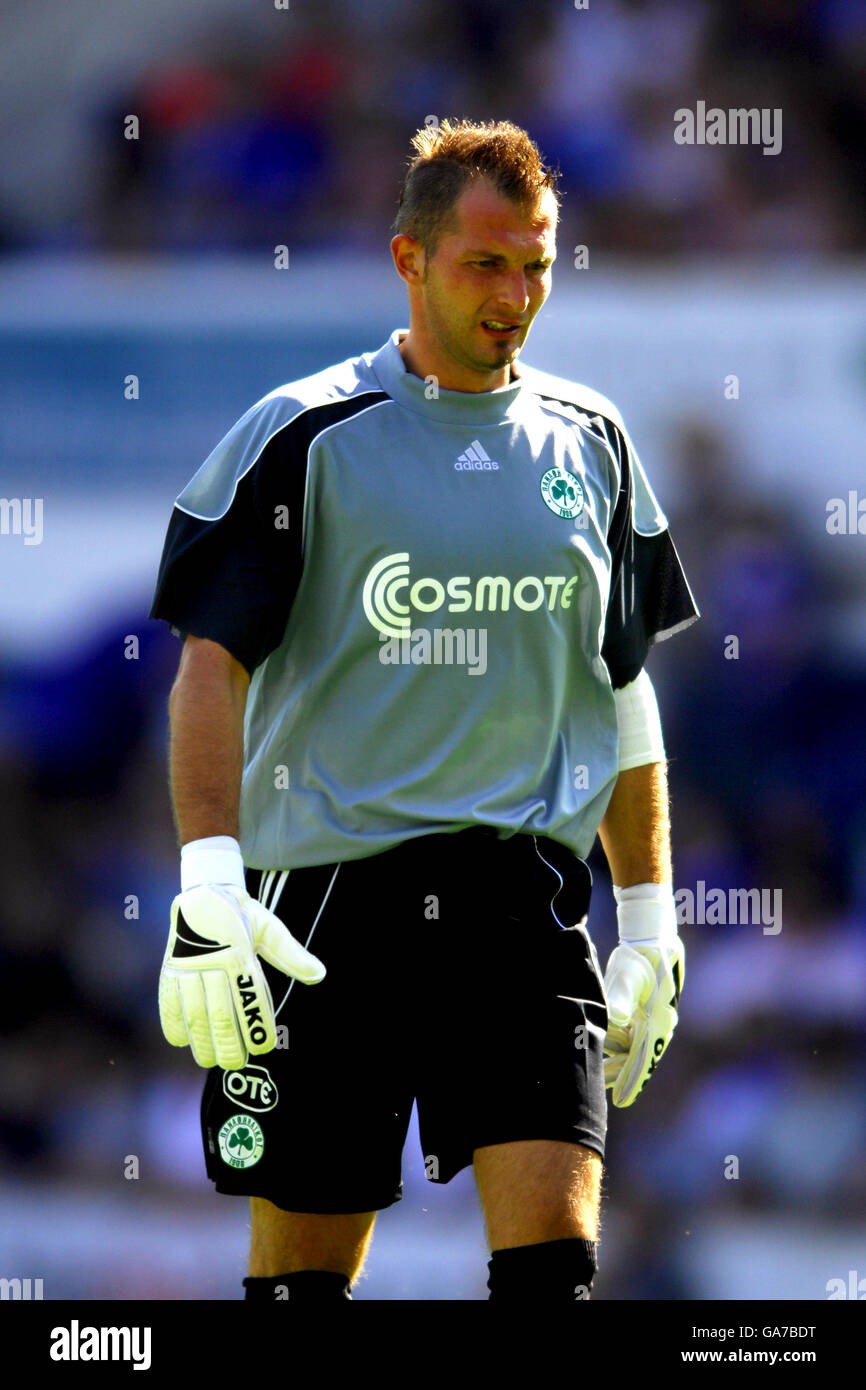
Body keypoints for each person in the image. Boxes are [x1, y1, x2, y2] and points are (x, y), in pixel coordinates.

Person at [148, 118, 699, 1302]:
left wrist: (647, 917)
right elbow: (211, 668)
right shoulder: (304, 434)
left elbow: (621, 684)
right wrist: (207, 884)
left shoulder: (592, 442)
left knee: (553, 1269)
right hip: (327, 904)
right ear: (408, 258)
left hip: (522, 899)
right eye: (485, 263)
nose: (516, 293)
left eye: (537, 264)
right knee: (301, 1285)